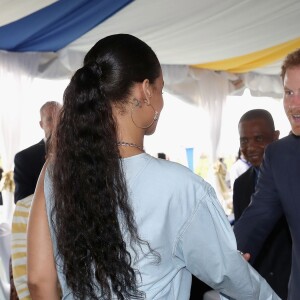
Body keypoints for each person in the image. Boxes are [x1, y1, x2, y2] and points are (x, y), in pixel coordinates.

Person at [27, 34, 279, 300]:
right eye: (161, 89)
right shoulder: (179, 185)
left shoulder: (55, 172)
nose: (161, 101)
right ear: (145, 90)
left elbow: (38, 280)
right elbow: (232, 277)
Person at [234, 48, 300, 300]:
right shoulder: (278, 156)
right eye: (288, 92)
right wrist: (223, 254)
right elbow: (255, 218)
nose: (294, 104)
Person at [233, 109, 292, 299]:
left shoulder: (291, 175)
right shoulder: (240, 184)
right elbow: (245, 232)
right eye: (244, 140)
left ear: (275, 137)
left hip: (290, 280)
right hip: (257, 283)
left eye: (259, 139)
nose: (250, 147)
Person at [13, 101, 61, 203]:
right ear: (41, 124)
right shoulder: (24, 158)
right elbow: (21, 200)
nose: (56, 124)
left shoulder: (78, 153)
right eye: (50, 119)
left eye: (60, 118)